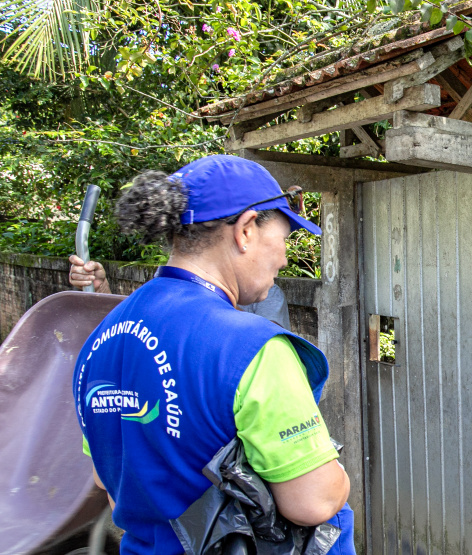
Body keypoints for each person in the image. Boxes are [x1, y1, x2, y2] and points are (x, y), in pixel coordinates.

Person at [71, 155, 354, 555]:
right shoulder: (252, 348)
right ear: (246, 230)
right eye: (285, 238)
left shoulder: (100, 341)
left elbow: (109, 484)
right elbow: (315, 502)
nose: (285, 258)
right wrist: (335, 472)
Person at [69, 257, 292, 328]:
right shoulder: (173, 288)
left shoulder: (268, 294)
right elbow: (129, 327)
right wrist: (100, 290)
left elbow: (266, 342)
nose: (282, 259)